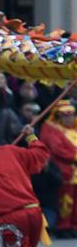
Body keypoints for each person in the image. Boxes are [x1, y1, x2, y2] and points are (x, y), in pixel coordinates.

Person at [38, 100, 77, 237]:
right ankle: (63, 227)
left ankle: (73, 225)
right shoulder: (51, 128)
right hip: (64, 170)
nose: (69, 117)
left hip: (74, 171)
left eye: (71, 114)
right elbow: (58, 149)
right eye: (65, 115)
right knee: (65, 200)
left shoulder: (74, 128)